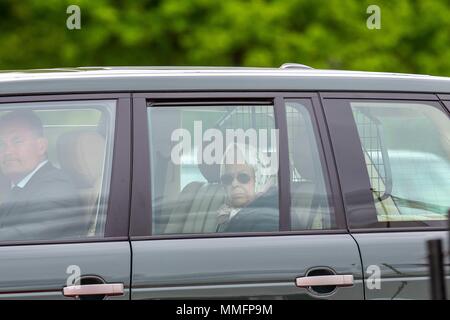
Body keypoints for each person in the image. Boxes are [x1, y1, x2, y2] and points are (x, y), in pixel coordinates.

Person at [0, 110, 85, 241]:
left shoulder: (57, 188)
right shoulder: (14, 184)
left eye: (17, 141)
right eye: (2, 144)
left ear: (41, 146)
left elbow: (24, 236)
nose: (7, 151)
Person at [216, 142, 279, 232]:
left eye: (243, 177)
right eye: (227, 179)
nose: (234, 184)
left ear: (261, 179)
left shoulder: (270, 218)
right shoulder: (226, 214)